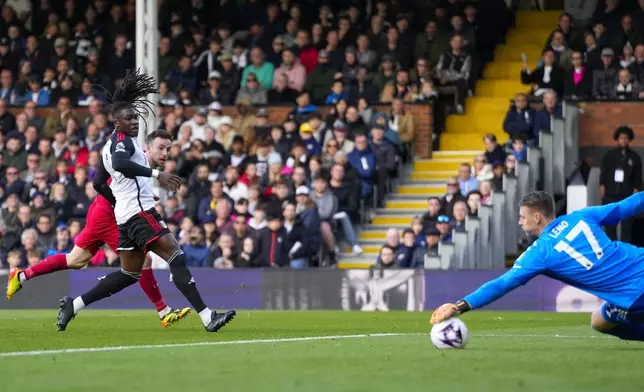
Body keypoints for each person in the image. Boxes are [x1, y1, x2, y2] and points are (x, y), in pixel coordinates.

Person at [54, 69, 236, 332]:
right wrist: (156, 174)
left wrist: (118, 202)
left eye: (136, 117)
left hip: (126, 218)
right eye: (128, 118)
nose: (135, 122)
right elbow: (120, 163)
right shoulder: (123, 144)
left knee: (130, 274)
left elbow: (96, 183)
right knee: (176, 255)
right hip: (139, 214)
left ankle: (75, 304)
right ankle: (208, 317)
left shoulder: (108, 146)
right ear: (117, 123)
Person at [6, 131, 190, 328]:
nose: (165, 153)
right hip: (108, 215)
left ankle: (22, 275)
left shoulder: (139, 159)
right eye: (161, 148)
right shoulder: (138, 159)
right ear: (149, 148)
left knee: (76, 260)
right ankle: (163, 311)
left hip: (101, 211)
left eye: (167, 149)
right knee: (142, 260)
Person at [430, 190, 644, 343]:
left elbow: (502, 284)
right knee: (599, 320)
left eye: (523, 217)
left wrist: (459, 306)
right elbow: (628, 205)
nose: (520, 222)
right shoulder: (581, 216)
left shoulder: (540, 253)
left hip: (635, 296)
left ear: (537, 217)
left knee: (603, 321)